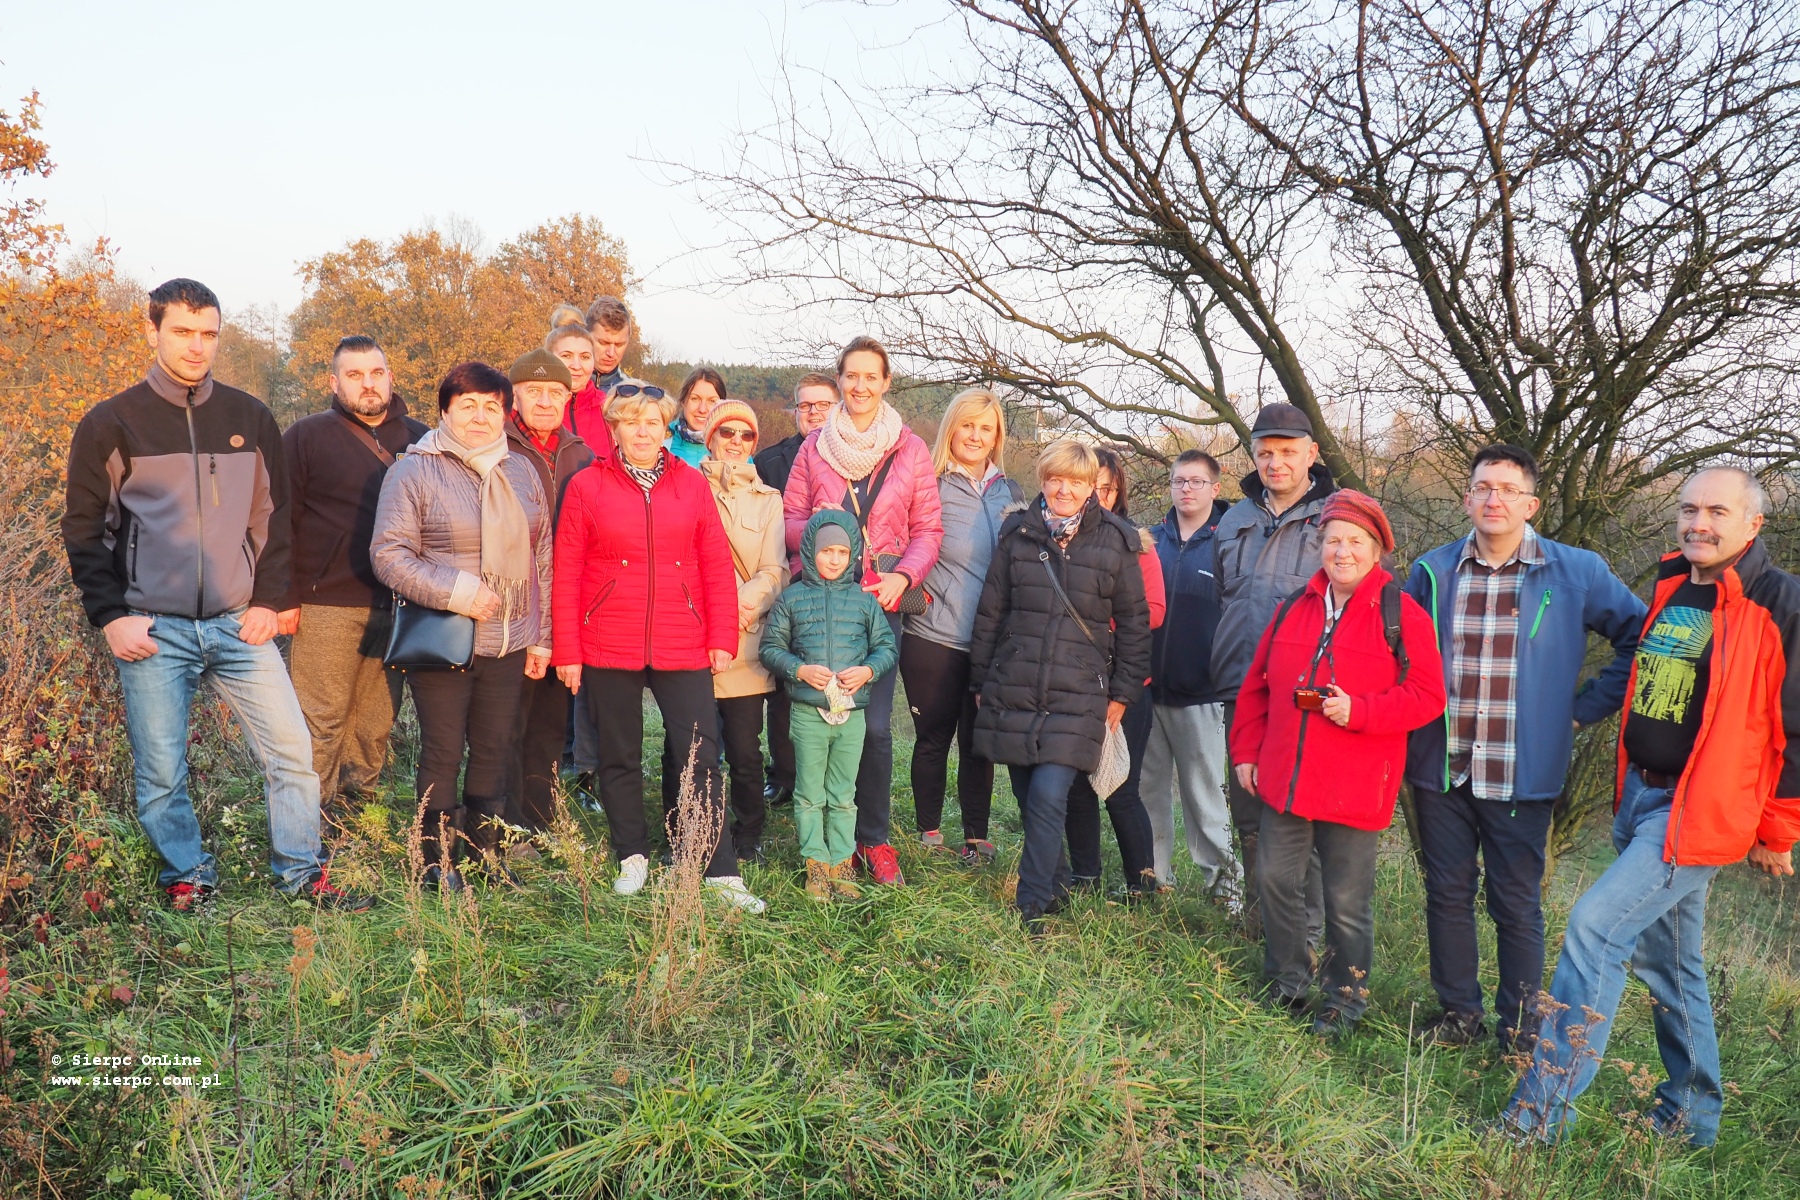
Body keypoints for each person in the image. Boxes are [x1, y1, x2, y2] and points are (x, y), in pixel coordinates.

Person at [1500, 468, 1800, 1148]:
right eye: (1690, 509)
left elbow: (1796, 726)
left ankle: (1534, 1121)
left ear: (1753, 524)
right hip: (1642, 795)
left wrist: (1779, 826)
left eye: (1717, 511)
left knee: (1596, 928)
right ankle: (1691, 1120)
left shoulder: (1781, 603)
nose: (1699, 522)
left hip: (1699, 807)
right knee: (1671, 966)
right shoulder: (1674, 585)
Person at [62, 278, 368, 911]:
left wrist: (267, 599)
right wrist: (111, 617)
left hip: (238, 623)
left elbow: (274, 518)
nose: (197, 346)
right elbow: (86, 530)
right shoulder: (111, 422)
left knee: (292, 754)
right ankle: (188, 872)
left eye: (208, 334)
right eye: (183, 331)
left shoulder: (249, 416)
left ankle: (301, 872)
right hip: (152, 627)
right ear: (153, 332)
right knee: (161, 772)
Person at [1404, 445, 1645, 1054]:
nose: (1494, 499)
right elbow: (1399, 656)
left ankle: (1519, 1030)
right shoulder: (1431, 571)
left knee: (1515, 904)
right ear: (1467, 498)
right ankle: (1459, 1014)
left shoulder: (1576, 571)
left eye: (1508, 490)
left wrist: (1582, 709)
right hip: (1443, 767)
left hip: (1521, 772)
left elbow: (1638, 638)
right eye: (1484, 487)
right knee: (1447, 894)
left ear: (1530, 504)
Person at [1230, 491, 1445, 1039]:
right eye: (1332, 541)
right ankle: (1288, 983)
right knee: (1275, 880)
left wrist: (1362, 711)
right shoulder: (1292, 606)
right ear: (1318, 546)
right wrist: (1246, 755)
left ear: (1376, 551)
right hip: (1285, 778)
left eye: (1354, 542)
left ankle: (1344, 1001)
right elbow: (1256, 690)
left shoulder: (1403, 615)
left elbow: (1428, 697)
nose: (1341, 551)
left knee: (1347, 904)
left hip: (1354, 785)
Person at [553, 380, 767, 913]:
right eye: (631, 420)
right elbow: (567, 571)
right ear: (615, 428)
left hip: (683, 636)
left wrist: (721, 635)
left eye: (652, 421)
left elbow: (716, 564)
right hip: (608, 638)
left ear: (664, 427)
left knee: (700, 752)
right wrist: (569, 650)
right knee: (620, 754)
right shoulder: (586, 486)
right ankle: (633, 856)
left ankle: (717, 869)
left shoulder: (690, 485)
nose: (642, 430)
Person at [371, 362, 553, 890]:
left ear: (505, 413)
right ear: (446, 410)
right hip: (444, 636)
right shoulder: (415, 470)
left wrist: (542, 635)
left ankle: (482, 857)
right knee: (444, 749)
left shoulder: (521, 470)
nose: (479, 416)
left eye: (491, 406)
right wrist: (458, 591)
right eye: (467, 405)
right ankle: (434, 861)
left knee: (496, 747)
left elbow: (541, 557)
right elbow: (389, 555)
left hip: (510, 638)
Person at [970, 439, 1152, 932]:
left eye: (1076, 481)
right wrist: (982, 679)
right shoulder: (1018, 532)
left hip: (1080, 693)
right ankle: (1056, 881)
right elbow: (991, 612)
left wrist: (1121, 694)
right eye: (1056, 479)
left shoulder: (1116, 540)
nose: (1064, 489)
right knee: (1029, 797)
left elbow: (1134, 626)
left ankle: (1031, 905)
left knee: (1051, 794)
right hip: (1017, 683)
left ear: (1093, 486)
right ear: (1043, 480)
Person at [784, 336, 943, 885]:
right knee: (820, 716)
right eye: (851, 376)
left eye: (871, 377)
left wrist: (904, 574)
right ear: (839, 381)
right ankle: (824, 840)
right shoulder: (813, 450)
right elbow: (790, 522)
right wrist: (830, 529)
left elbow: (928, 529)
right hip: (823, 602)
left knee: (873, 728)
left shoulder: (911, 450)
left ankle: (872, 838)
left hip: (879, 604)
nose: (860, 386)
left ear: (886, 382)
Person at [276, 336, 426, 814]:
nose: (368, 384)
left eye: (376, 373)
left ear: (390, 377)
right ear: (334, 381)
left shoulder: (422, 439)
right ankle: (307, 824)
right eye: (355, 375)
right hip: (327, 604)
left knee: (374, 723)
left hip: (400, 604)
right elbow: (279, 520)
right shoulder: (305, 436)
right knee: (321, 720)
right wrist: (284, 597)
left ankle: (356, 816)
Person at [1212, 402, 1337, 936]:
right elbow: (1224, 597)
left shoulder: (1337, 518)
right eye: (1266, 452)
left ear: (1311, 453)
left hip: (1305, 697)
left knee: (1300, 817)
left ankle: (1309, 941)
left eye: (1288, 452)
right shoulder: (1234, 519)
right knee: (1249, 815)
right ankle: (1264, 932)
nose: (1276, 462)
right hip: (1241, 688)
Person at [659, 399, 786, 864]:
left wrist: (736, 609)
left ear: (755, 442)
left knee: (745, 750)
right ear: (710, 438)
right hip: (691, 639)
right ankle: (682, 834)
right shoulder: (683, 488)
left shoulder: (770, 501)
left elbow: (774, 569)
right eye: (726, 433)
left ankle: (747, 835)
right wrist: (713, 610)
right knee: (685, 748)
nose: (735, 442)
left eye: (745, 435)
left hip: (745, 639)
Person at [901, 388, 1022, 866]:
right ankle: (928, 832)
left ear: (996, 437)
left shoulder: (1010, 492)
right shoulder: (926, 483)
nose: (975, 435)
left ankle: (977, 836)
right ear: (952, 427)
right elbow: (896, 552)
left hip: (991, 642)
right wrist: (918, 600)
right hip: (933, 638)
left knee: (979, 743)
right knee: (933, 738)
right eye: (967, 425)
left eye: (986, 428)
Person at [761, 511, 899, 900]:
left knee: (843, 793)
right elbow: (771, 648)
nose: (835, 560)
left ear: (853, 554)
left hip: (851, 715)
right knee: (809, 792)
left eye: (842, 552)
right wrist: (799, 669)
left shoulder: (864, 602)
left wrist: (868, 672)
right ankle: (815, 866)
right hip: (808, 714)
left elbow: (886, 648)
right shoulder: (792, 598)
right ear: (810, 552)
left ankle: (841, 863)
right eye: (826, 552)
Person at [1062, 447, 1166, 899]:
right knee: (1075, 786)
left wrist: (1097, 615)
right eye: (1093, 486)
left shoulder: (1134, 544)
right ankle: (1086, 877)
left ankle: (1142, 884)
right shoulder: (1058, 540)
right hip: (1071, 681)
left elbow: (1155, 611)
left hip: (1124, 683)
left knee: (1122, 785)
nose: (1099, 496)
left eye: (1108, 488)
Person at [502, 349, 595, 837]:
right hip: (509, 605)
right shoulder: (498, 444)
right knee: (505, 720)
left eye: (555, 393)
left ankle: (538, 821)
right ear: (515, 394)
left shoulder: (580, 454)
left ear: (568, 396)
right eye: (533, 391)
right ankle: (502, 821)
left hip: (564, 604)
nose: (544, 401)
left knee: (549, 722)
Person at [1142, 450, 1238, 898]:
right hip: (1147, 692)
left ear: (1215, 489)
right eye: (1180, 481)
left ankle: (1224, 890)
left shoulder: (1228, 542)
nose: (1187, 489)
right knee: (1148, 794)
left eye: (1197, 482)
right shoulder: (1150, 541)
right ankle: (1153, 879)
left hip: (1202, 694)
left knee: (1205, 799)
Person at [755, 372, 839, 809]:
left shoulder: (852, 458)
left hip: (839, 590)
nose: (813, 413)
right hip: (785, 585)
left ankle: (832, 778)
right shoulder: (769, 462)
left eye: (823, 404)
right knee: (784, 687)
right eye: (805, 405)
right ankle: (784, 774)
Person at [562, 295, 633, 799]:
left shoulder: (623, 396)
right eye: (599, 343)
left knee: (592, 662)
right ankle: (555, 758)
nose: (606, 353)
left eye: (616, 344)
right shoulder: (551, 385)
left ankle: (588, 768)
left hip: (601, 533)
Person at [561, 295, 632, 443]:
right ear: (586, 336)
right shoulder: (553, 387)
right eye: (603, 343)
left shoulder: (632, 395)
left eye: (619, 345)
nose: (611, 353)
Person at [545, 313, 613, 462]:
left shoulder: (609, 408)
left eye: (585, 357)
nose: (576, 366)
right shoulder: (535, 407)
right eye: (567, 356)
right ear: (549, 358)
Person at [667, 368, 724, 468]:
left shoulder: (734, 446)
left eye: (712, 401)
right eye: (695, 399)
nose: (702, 409)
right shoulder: (661, 441)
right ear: (683, 402)